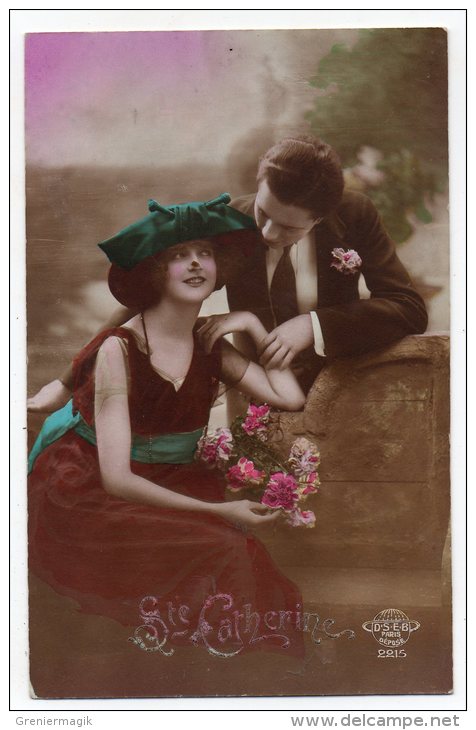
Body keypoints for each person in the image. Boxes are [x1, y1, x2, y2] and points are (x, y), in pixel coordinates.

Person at [28, 194, 306, 661]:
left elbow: (289, 397)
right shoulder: (121, 349)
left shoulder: (211, 346)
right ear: (156, 270)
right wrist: (221, 511)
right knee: (223, 548)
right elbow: (117, 480)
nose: (196, 264)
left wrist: (254, 327)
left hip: (174, 481)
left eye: (204, 253)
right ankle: (225, 672)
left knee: (241, 556)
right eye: (179, 255)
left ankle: (246, 677)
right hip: (96, 492)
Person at [28, 134, 428, 405]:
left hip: (343, 387)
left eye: (289, 227)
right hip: (254, 388)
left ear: (321, 218)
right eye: (264, 213)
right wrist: (66, 383)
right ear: (259, 181)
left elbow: (408, 307)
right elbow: (141, 299)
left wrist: (314, 324)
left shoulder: (354, 214)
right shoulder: (223, 221)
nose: (268, 233)